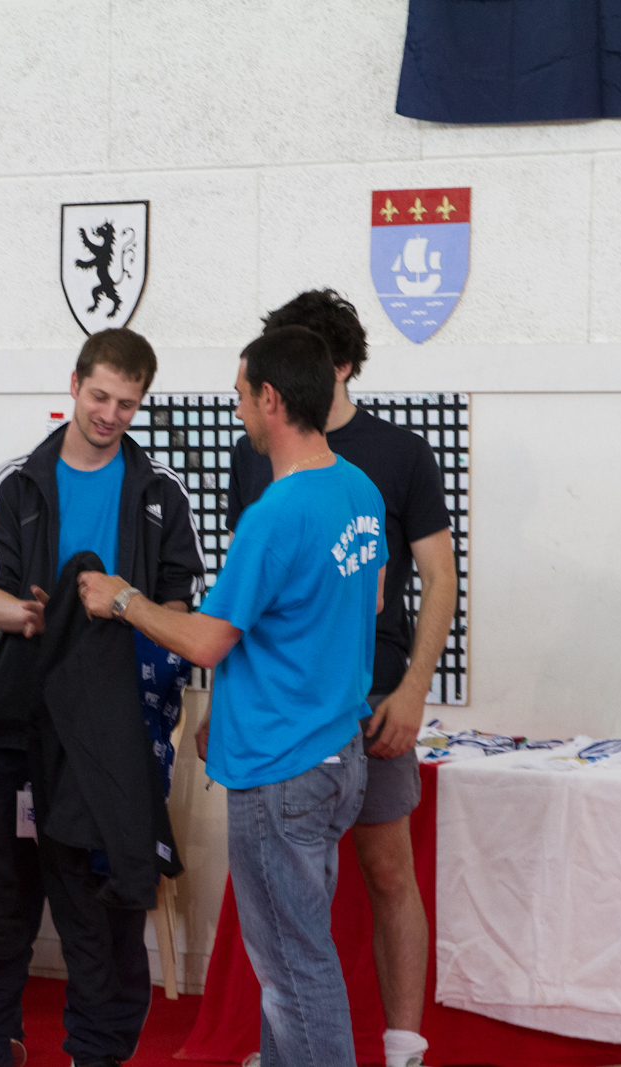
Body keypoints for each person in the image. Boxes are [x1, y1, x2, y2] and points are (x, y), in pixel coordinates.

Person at [79, 325, 388, 1067]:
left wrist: (123, 599)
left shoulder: (275, 514)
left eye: (241, 394)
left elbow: (207, 640)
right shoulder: (358, 486)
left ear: (270, 399)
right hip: (335, 754)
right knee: (295, 959)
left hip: (281, 769)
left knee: (292, 972)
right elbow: (370, 599)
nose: (238, 407)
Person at [0, 327, 204, 1067]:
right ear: (74, 385)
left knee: (108, 909)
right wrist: (32, 616)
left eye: (127, 403)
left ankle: (99, 1054)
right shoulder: (14, 482)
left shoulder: (160, 492)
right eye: (100, 396)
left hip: (115, 736)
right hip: (20, 727)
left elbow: (181, 612)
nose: (110, 414)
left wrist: (126, 607)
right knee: (3, 904)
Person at [226, 289, 454, 1067]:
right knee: (293, 914)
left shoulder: (396, 454)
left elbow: (437, 575)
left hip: (374, 694)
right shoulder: (255, 450)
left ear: (341, 366)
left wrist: (414, 687)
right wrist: (224, 701)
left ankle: (403, 1047)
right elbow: (244, 596)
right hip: (280, 714)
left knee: (386, 873)